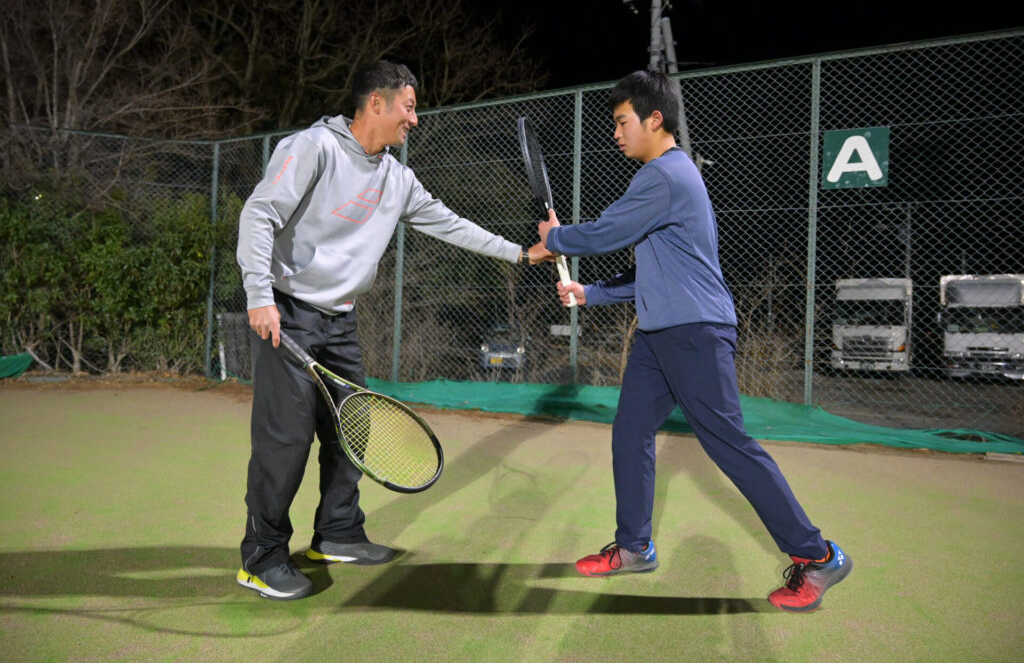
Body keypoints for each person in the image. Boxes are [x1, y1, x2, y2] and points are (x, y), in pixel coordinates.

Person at [532, 69, 852, 613]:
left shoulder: (665, 175)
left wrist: (555, 238)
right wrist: (591, 293)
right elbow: (655, 271)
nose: (616, 133)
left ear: (655, 119)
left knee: (729, 445)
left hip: (696, 333)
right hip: (660, 336)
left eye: (623, 122)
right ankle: (634, 547)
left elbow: (608, 232)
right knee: (631, 431)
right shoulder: (663, 178)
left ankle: (818, 556)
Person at [235, 60, 540, 600]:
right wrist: (259, 295)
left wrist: (520, 253)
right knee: (285, 442)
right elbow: (259, 215)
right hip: (288, 313)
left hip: (340, 318)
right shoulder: (313, 148)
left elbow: (449, 223)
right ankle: (261, 556)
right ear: (376, 103)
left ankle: (337, 533)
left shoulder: (397, 179)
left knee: (352, 430)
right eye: (409, 106)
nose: (414, 119)